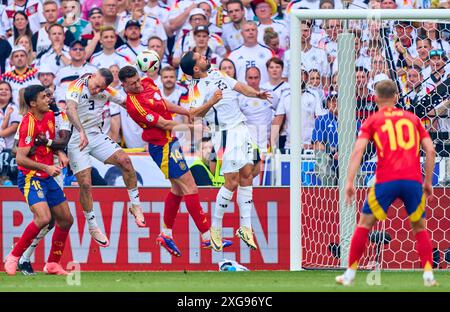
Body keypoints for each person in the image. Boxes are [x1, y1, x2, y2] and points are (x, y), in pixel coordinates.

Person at [118, 65, 231, 256]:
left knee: (177, 189)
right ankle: (207, 236)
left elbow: (162, 104)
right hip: (161, 147)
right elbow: (163, 123)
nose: (137, 85)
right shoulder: (134, 105)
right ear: (124, 86)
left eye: (137, 80)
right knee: (190, 187)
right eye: (132, 84)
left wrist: (187, 112)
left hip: (171, 142)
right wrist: (192, 128)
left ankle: (166, 234)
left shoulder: (147, 83)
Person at [336, 79, 438, 287]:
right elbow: (431, 150)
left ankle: (349, 275)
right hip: (412, 180)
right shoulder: (412, 119)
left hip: (386, 181)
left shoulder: (373, 120)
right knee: (420, 228)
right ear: (396, 97)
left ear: (375, 98)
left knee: (364, 225)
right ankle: (428, 275)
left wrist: (349, 181)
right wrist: (427, 181)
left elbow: (358, 150)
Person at [180, 51, 272, 251]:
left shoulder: (216, 73)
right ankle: (215, 228)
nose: (204, 57)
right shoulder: (195, 89)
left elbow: (238, 86)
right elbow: (193, 114)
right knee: (231, 181)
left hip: (241, 127)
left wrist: (256, 93)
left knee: (247, 174)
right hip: (224, 133)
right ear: (195, 68)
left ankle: (245, 227)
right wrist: (212, 101)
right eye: (200, 58)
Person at [65, 68, 146, 248]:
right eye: (95, 87)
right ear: (92, 76)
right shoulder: (76, 86)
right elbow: (70, 109)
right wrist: (81, 131)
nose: (97, 91)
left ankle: (135, 205)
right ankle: (93, 225)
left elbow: (128, 104)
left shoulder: (107, 91)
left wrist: (144, 101)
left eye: (101, 89)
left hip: (96, 135)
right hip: (77, 138)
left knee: (126, 161)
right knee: (85, 184)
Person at [4, 85, 73, 276]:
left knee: (66, 220)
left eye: (48, 96)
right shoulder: (28, 124)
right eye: (44, 97)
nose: (48, 99)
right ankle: (14, 256)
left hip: (48, 175)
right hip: (30, 176)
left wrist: (59, 152)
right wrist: (46, 167)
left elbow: (49, 142)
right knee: (44, 218)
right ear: (33, 103)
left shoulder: (50, 115)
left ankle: (52, 264)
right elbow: (20, 158)